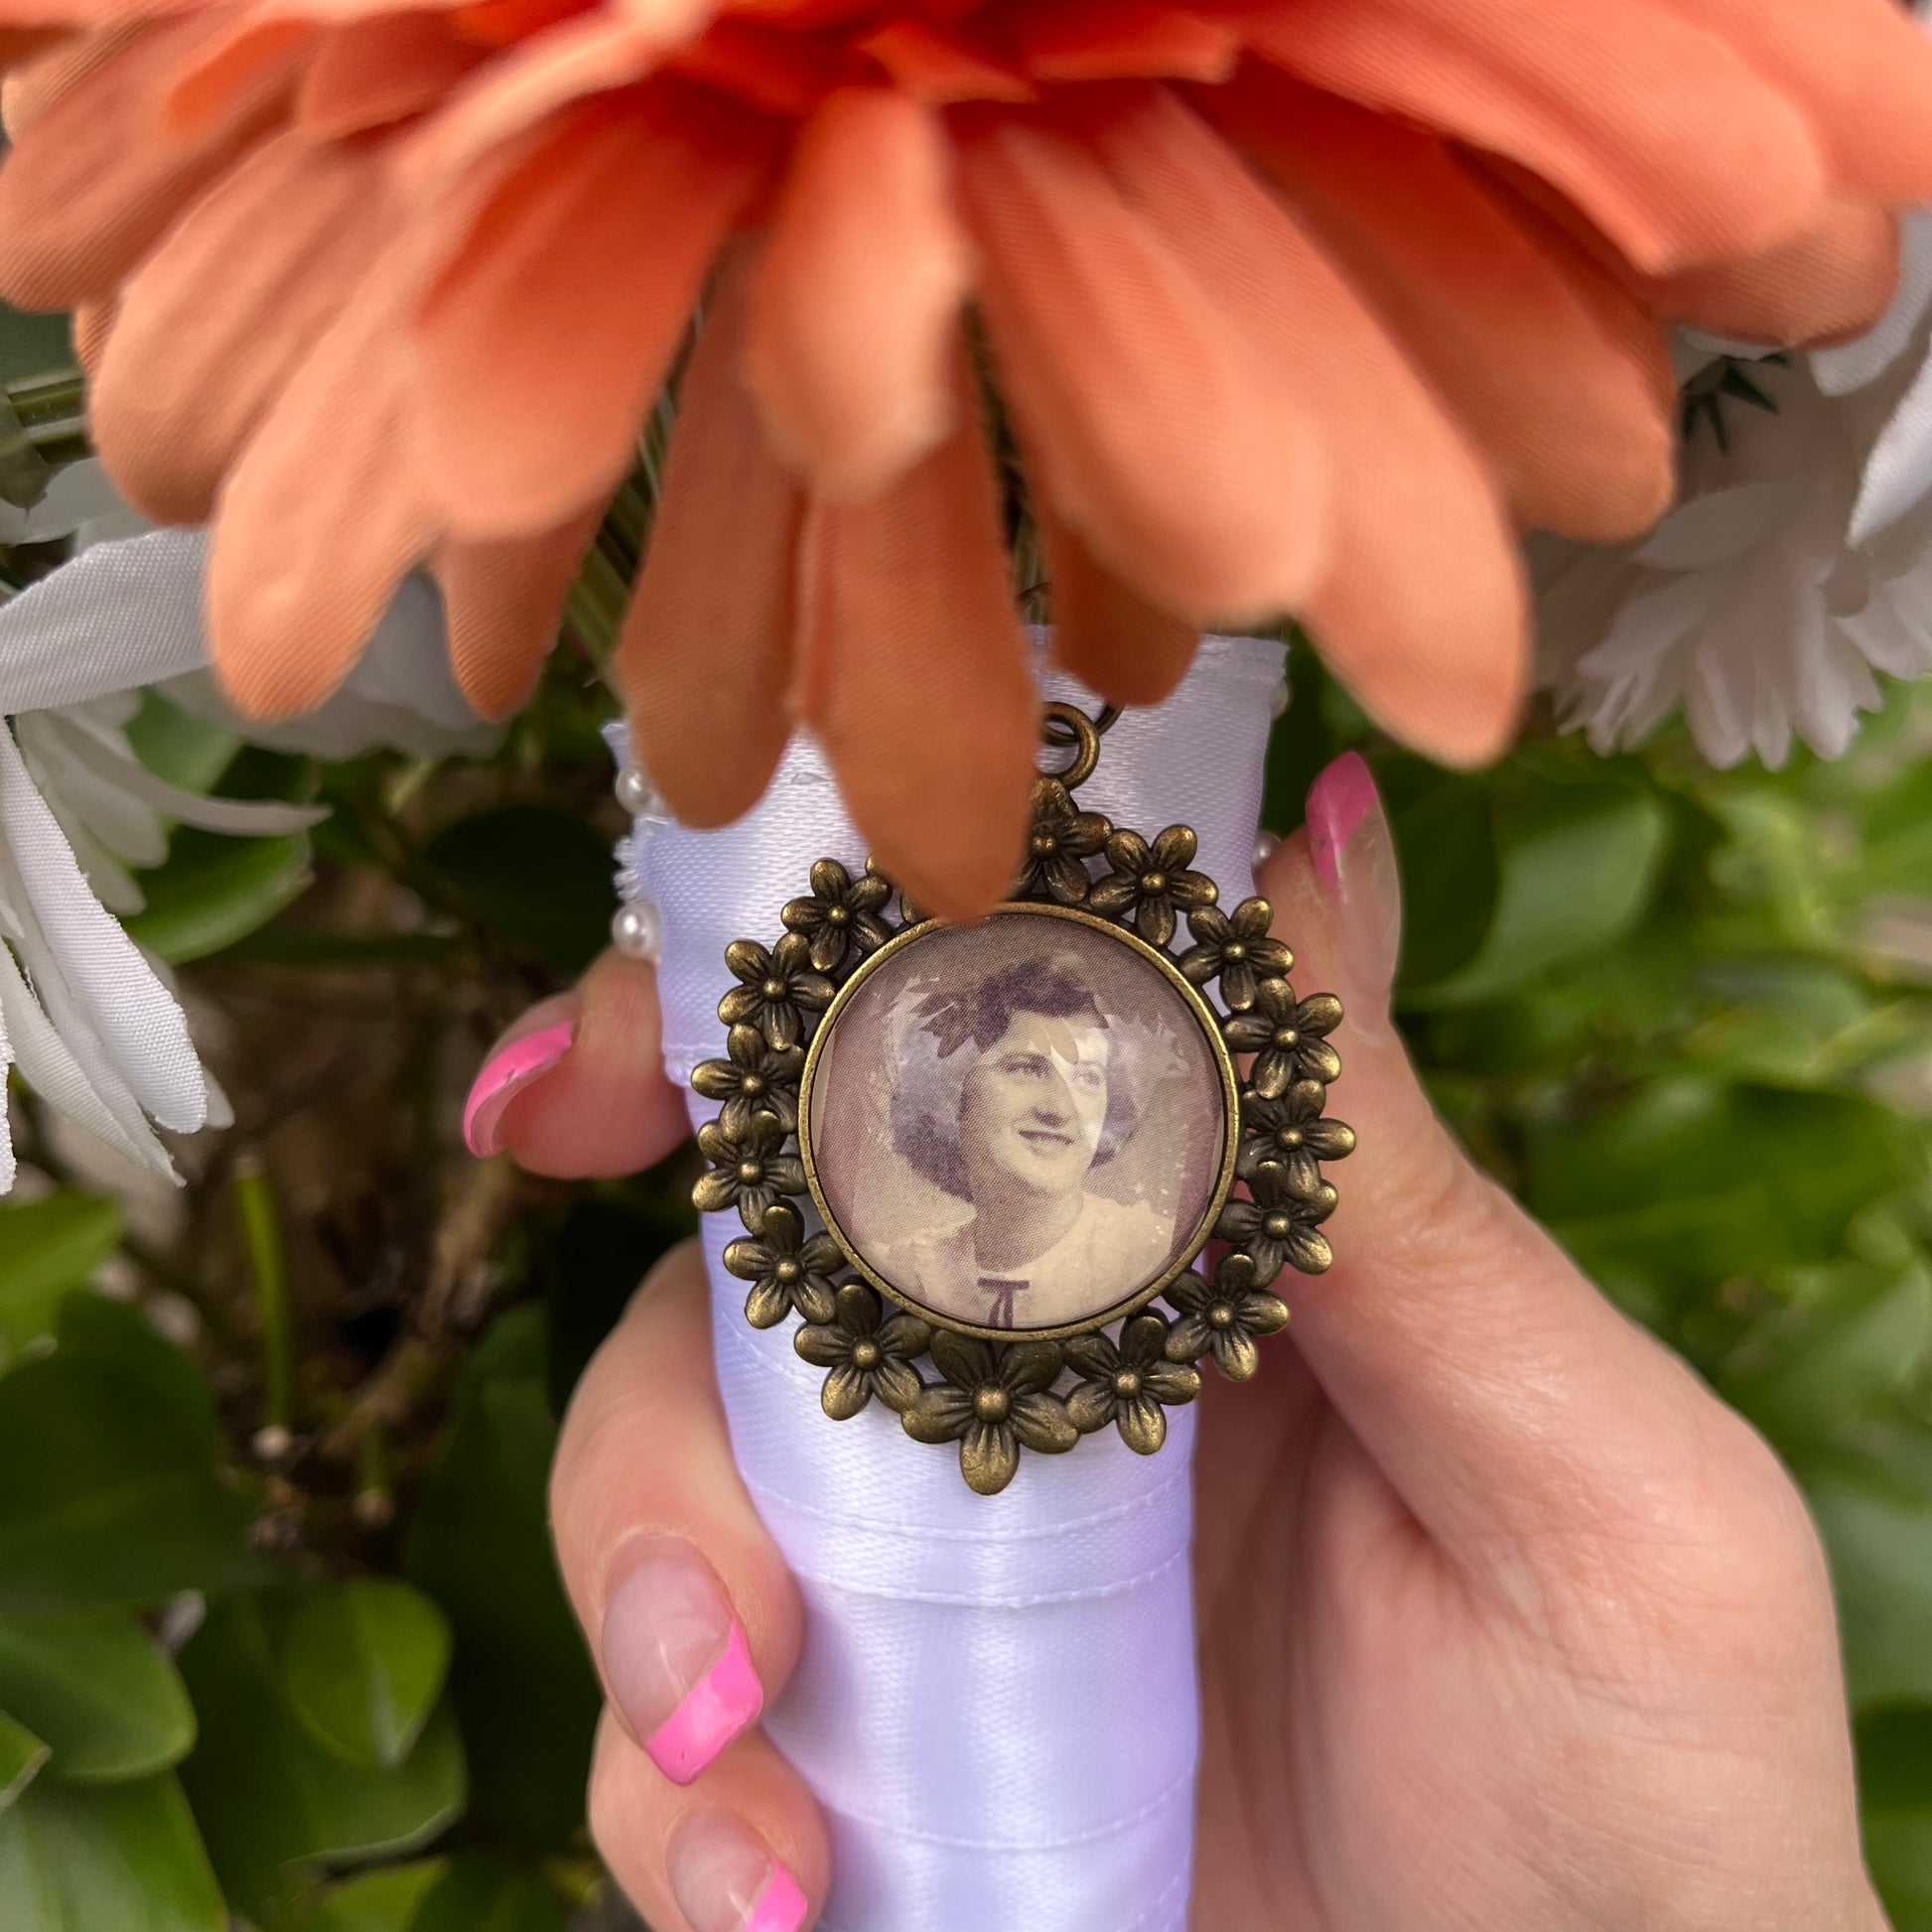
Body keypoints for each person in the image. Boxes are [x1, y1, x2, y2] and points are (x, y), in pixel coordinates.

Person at [465, 756, 1887, 1932]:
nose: (1058, 1097)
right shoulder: (894, 1227)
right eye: (1024, 1058)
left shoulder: (1139, 1252)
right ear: (947, 1087)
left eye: (1090, 1074)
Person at [867, 955, 1173, 1329]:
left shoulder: (1151, 1254)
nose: (1060, 1110)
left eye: (1088, 1078)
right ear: (953, 1093)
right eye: (1026, 1069)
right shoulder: (906, 1270)